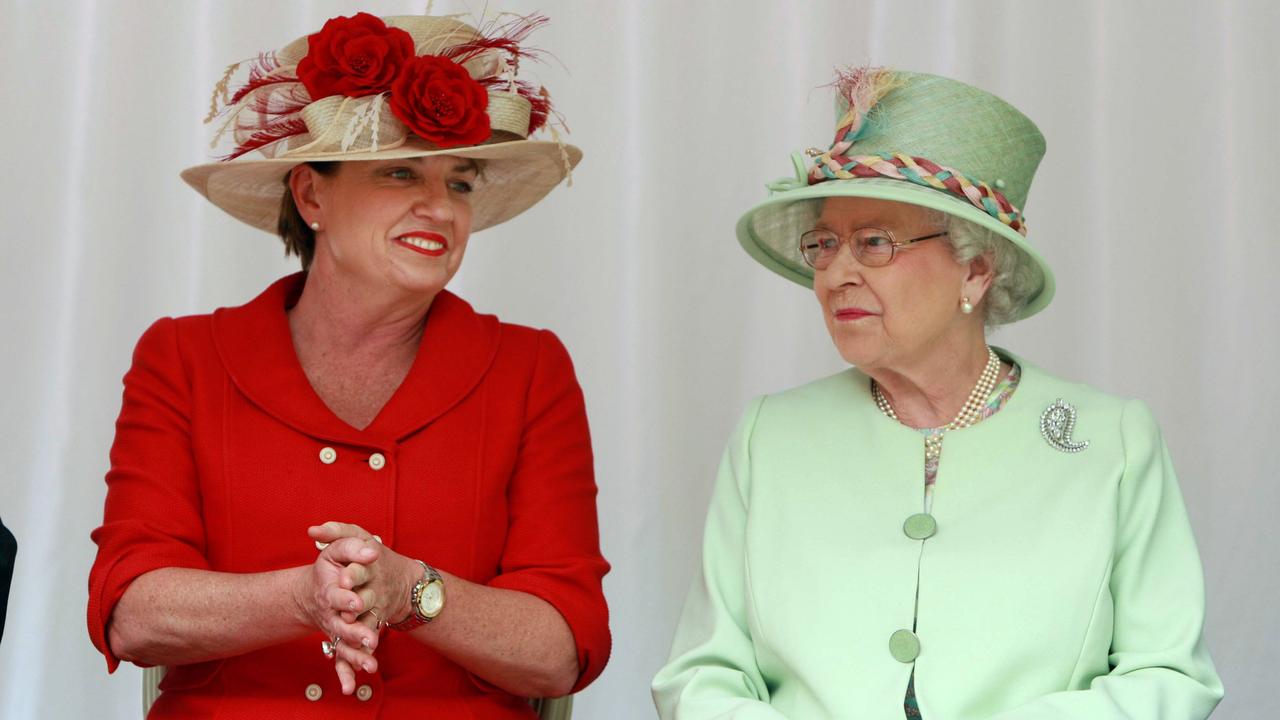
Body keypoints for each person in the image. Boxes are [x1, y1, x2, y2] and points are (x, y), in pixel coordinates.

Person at [652, 68, 1222, 719]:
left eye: (874, 242)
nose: (837, 272)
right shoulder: (772, 435)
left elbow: (1169, 675)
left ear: (975, 270)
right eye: (825, 243)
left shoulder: (1105, 438)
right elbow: (703, 674)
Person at [87, 12, 609, 718]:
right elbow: (132, 610)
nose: (440, 207)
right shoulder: (184, 359)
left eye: (459, 182)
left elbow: (563, 645)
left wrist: (414, 592)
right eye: (400, 171)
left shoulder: (528, 369)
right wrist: (302, 598)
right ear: (311, 196)